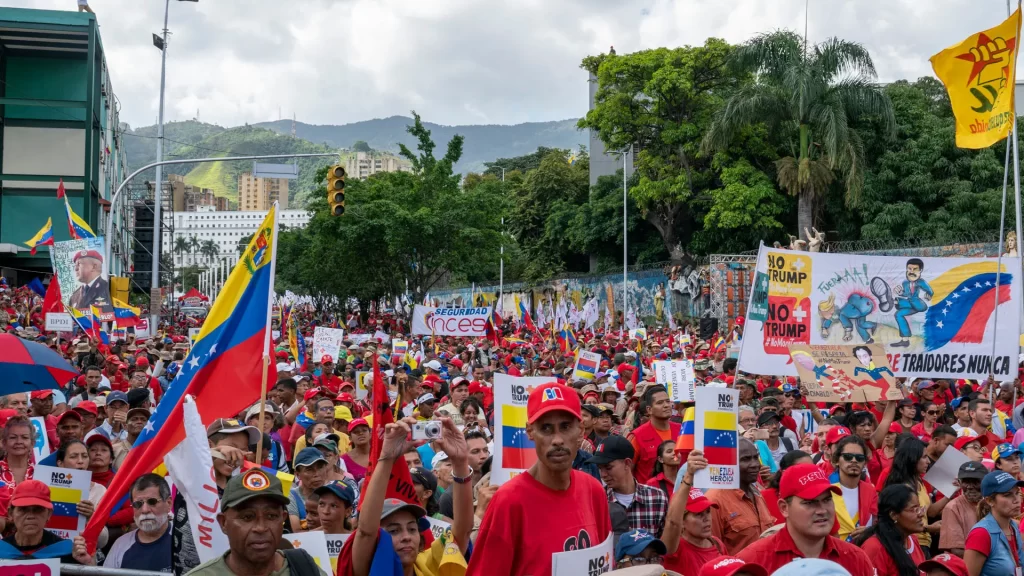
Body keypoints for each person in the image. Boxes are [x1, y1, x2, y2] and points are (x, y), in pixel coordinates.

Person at [467, 383, 611, 576]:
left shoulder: (593, 490)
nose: (557, 439)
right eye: (546, 428)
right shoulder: (508, 502)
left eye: (566, 427)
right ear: (530, 432)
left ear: (581, 430)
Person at [347, 416, 473, 576]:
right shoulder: (370, 567)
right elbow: (365, 532)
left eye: (413, 529)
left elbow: (462, 532)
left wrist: (460, 462)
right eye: (393, 531)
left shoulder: (428, 564)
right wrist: (387, 458)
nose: (406, 537)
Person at [736, 463, 874, 576]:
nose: (822, 510)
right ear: (784, 508)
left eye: (827, 500)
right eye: (810, 502)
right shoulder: (753, 562)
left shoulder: (855, 558)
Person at [186, 468, 327, 576]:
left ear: (283, 519)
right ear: (223, 523)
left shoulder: (306, 570)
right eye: (247, 517)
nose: (261, 528)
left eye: (271, 516)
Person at [81, 474, 173, 571]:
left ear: (168, 503)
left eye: (152, 502)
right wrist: (90, 564)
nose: (145, 510)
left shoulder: (185, 538)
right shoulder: (121, 545)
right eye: (138, 504)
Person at [661, 448, 726, 575]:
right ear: (682, 521)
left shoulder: (717, 543)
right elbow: (673, 522)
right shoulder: (675, 549)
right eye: (698, 514)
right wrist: (689, 475)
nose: (706, 518)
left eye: (707, 511)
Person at [588, 434, 668, 537]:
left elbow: (665, 546)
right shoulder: (596, 501)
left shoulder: (657, 498)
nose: (603, 474)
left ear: (627, 463)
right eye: (600, 468)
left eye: (608, 467)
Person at [706, 438, 776, 555]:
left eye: (756, 457)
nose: (755, 464)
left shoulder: (757, 493)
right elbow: (712, 551)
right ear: (729, 463)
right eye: (746, 459)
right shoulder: (714, 500)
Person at [2, 479, 93, 564]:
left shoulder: (67, 551)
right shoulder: (2, 549)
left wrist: (87, 563)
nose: (30, 516)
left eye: (38, 509)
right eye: (23, 509)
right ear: (10, 513)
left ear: (49, 514)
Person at [856, 484, 926, 576]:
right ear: (893, 515)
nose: (921, 514)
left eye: (919, 508)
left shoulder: (913, 540)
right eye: (914, 509)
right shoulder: (875, 548)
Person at [963, 471, 1024, 576]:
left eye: (1017, 493)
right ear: (990, 501)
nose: (1016, 500)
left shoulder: (1014, 527)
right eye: (1007, 495)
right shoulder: (981, 534)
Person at [883, 437, 936, 549]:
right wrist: (929, 528)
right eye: (924, 457)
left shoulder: (919, 482)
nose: (928, 461)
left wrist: (950, 492)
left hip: (924, 543)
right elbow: (898, 522)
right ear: (912, 458)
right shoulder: (900, 487)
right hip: (908, 543)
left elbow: (930, 511)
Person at [53, 440, 108, 548]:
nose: (80, 461)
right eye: (74, 456)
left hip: (82, 553)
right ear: (61, 464)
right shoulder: (47, 488)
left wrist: (91, 517)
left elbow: (103, 540)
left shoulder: (99, 490)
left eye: (84, 456)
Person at [627, 385, 680, 484]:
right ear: (649, 410)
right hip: (650, 496)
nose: (666, 405)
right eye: (660, 403)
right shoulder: (637, 436)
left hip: (681, 494)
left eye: (668, 401)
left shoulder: (682, 430)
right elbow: (627, 471)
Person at [830, 435, 878, 542]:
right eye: (848, 457)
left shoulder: (870, 491)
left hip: (862, 553)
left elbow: (878, 524)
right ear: (837, 460)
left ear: (864, 463)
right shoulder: (825, 488)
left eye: (859, 458)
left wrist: (870, 531)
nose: (854, 461)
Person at [940, 461, 986, 557]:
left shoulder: (991, 503)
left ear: (985, 482)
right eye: (966, 482)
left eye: (975, 482)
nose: (969, 487)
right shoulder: (952, 508)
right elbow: (957, 550)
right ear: (960, 483)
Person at [289, 448, 329, 532]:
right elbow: (297, 532)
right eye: (309, 470)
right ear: (297, 474)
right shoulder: (292, 496)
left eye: (320, 467)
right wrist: (330, 527)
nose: (317, 474)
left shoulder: (334, 493)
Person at [0, 415, 35, 488]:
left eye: (24, 437)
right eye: (13, 437)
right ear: (4, 443)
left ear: (32, 443)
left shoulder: (41, 472)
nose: (19, 442)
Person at [341, 418, 370, 482]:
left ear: (370, 434)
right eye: (356, 432)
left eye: (364, 430)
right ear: (350, 438)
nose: (361, 433)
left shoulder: (380, 453)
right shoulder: (343, 460)